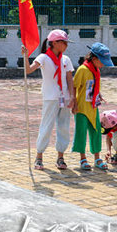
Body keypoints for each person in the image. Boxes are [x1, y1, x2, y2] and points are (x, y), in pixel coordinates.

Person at [21, 30, 75, 171]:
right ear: (54, 43)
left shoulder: (66, 59)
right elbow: (28, 70)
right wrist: (26, 57)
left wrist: (73, 97)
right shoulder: (44, 57)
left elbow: (69, 78)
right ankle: (39, 157)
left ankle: (60, 156)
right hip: (50, 97)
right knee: (46, 126)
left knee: (63, 127)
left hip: (65, 97)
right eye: (63, 42)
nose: (66, 45)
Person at [71, 42, 113, 171]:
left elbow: (93, 85)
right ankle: (83, 158)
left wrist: (99, 94)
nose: (103, 64)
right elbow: (74, 86)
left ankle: (97, 158)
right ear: (94, 59)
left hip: (93, 107)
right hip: (82, 108)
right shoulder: (83, 69)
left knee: (96, 132)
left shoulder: (96, 70)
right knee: (81, 132)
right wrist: (74, 103)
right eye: (102, 61)